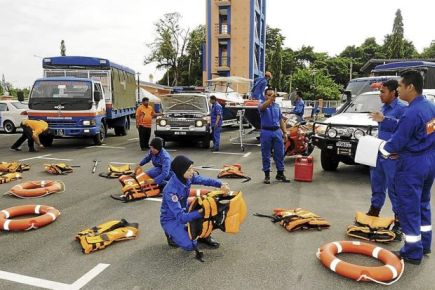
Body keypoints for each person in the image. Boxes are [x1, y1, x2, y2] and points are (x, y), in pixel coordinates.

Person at [379, 70, 435, 265]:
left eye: (401, 86)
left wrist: (382, 149)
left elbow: (396, 142)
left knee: (409, 208)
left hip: (412, 165)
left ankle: (412, 251)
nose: (399, 90)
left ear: (410, 87)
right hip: (429, 161)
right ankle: (425, 244)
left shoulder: (411, 112)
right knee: (423, 204)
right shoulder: (430, 106)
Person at [160, 155, 230, 255]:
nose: (192, 171)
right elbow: (181, 218)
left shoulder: (186, 177)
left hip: (184, 208)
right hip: (171, 218)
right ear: (181, 171)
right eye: (189, 169)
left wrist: (220, 184)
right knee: (190, 245)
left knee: (208, 206)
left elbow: (204, 180)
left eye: (192, 168)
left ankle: (204, 235)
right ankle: (170, 233)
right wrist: (199, 213)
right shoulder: (170, 191)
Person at [368, 80, 407, 238]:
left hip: (394, 156)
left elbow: (404, 127)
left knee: (394, 189)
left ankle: (399, 222)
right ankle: (374, 211)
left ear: (393, 92)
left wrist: (384, 120)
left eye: (383, 92)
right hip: (380, 153)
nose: (380, 95)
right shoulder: (383, 107)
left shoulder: (403, 109)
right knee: (377, 184)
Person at [258, 87, 290, 184]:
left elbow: (280, 120)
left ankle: (280, 174)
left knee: (280, 153)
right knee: (266, 154)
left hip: (277, 132)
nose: (272, 96)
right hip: (266, 132)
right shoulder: (261, 105)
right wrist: (270, 99)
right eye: (269, 95)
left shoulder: (276, 106)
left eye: (273, 94)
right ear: (265, 96)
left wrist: (284, 132)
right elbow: (263, 108)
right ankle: (267, 175)